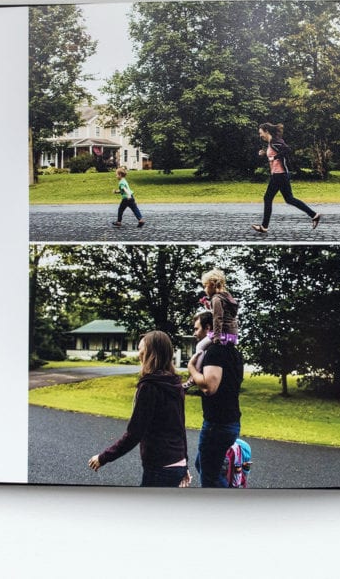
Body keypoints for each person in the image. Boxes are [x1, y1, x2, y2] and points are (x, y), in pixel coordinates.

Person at [87, 331, 188, 487]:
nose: (138, 355)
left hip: (160, 467)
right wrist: (184, 463)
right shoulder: (175, 383)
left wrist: (103, 457)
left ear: (150, 353)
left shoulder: (149, 386)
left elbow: (134, 434)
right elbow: (180, 428)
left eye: (141, 350)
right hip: (176, 464)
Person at [186, 268, 244, 487]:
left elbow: (210, 387)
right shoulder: (233, 352)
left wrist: (192, 368)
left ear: (208, 328)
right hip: (228, 422)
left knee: (209, 477)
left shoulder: (216, 351)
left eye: (197, 328)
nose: (194, 332)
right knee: (204, 466)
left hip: (217, 425)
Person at [251, 123, 321, 234]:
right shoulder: (272, 143)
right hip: (280, 174)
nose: (260, 135)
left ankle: (264, 227)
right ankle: (314, 215)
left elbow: (287, 150)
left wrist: (274, 157)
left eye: (261, 133)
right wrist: (265, 154)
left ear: (266, 131)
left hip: (279, 174)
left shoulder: (275, 141)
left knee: (267, 198)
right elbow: (275, 154)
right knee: (289, 199)